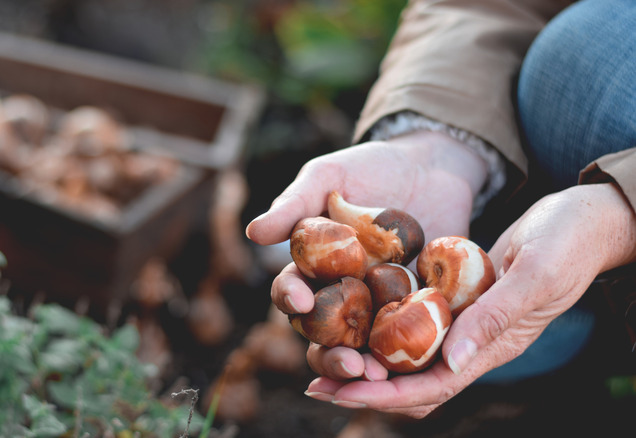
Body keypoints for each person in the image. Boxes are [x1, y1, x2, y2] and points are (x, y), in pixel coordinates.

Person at [245, 0, 636, 419]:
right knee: (496, 322)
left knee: (595, 58)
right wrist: (437, 143)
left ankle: (590, 332)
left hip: (564, 215)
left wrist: (619, 217)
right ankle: (577, 329)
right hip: (501, 239)